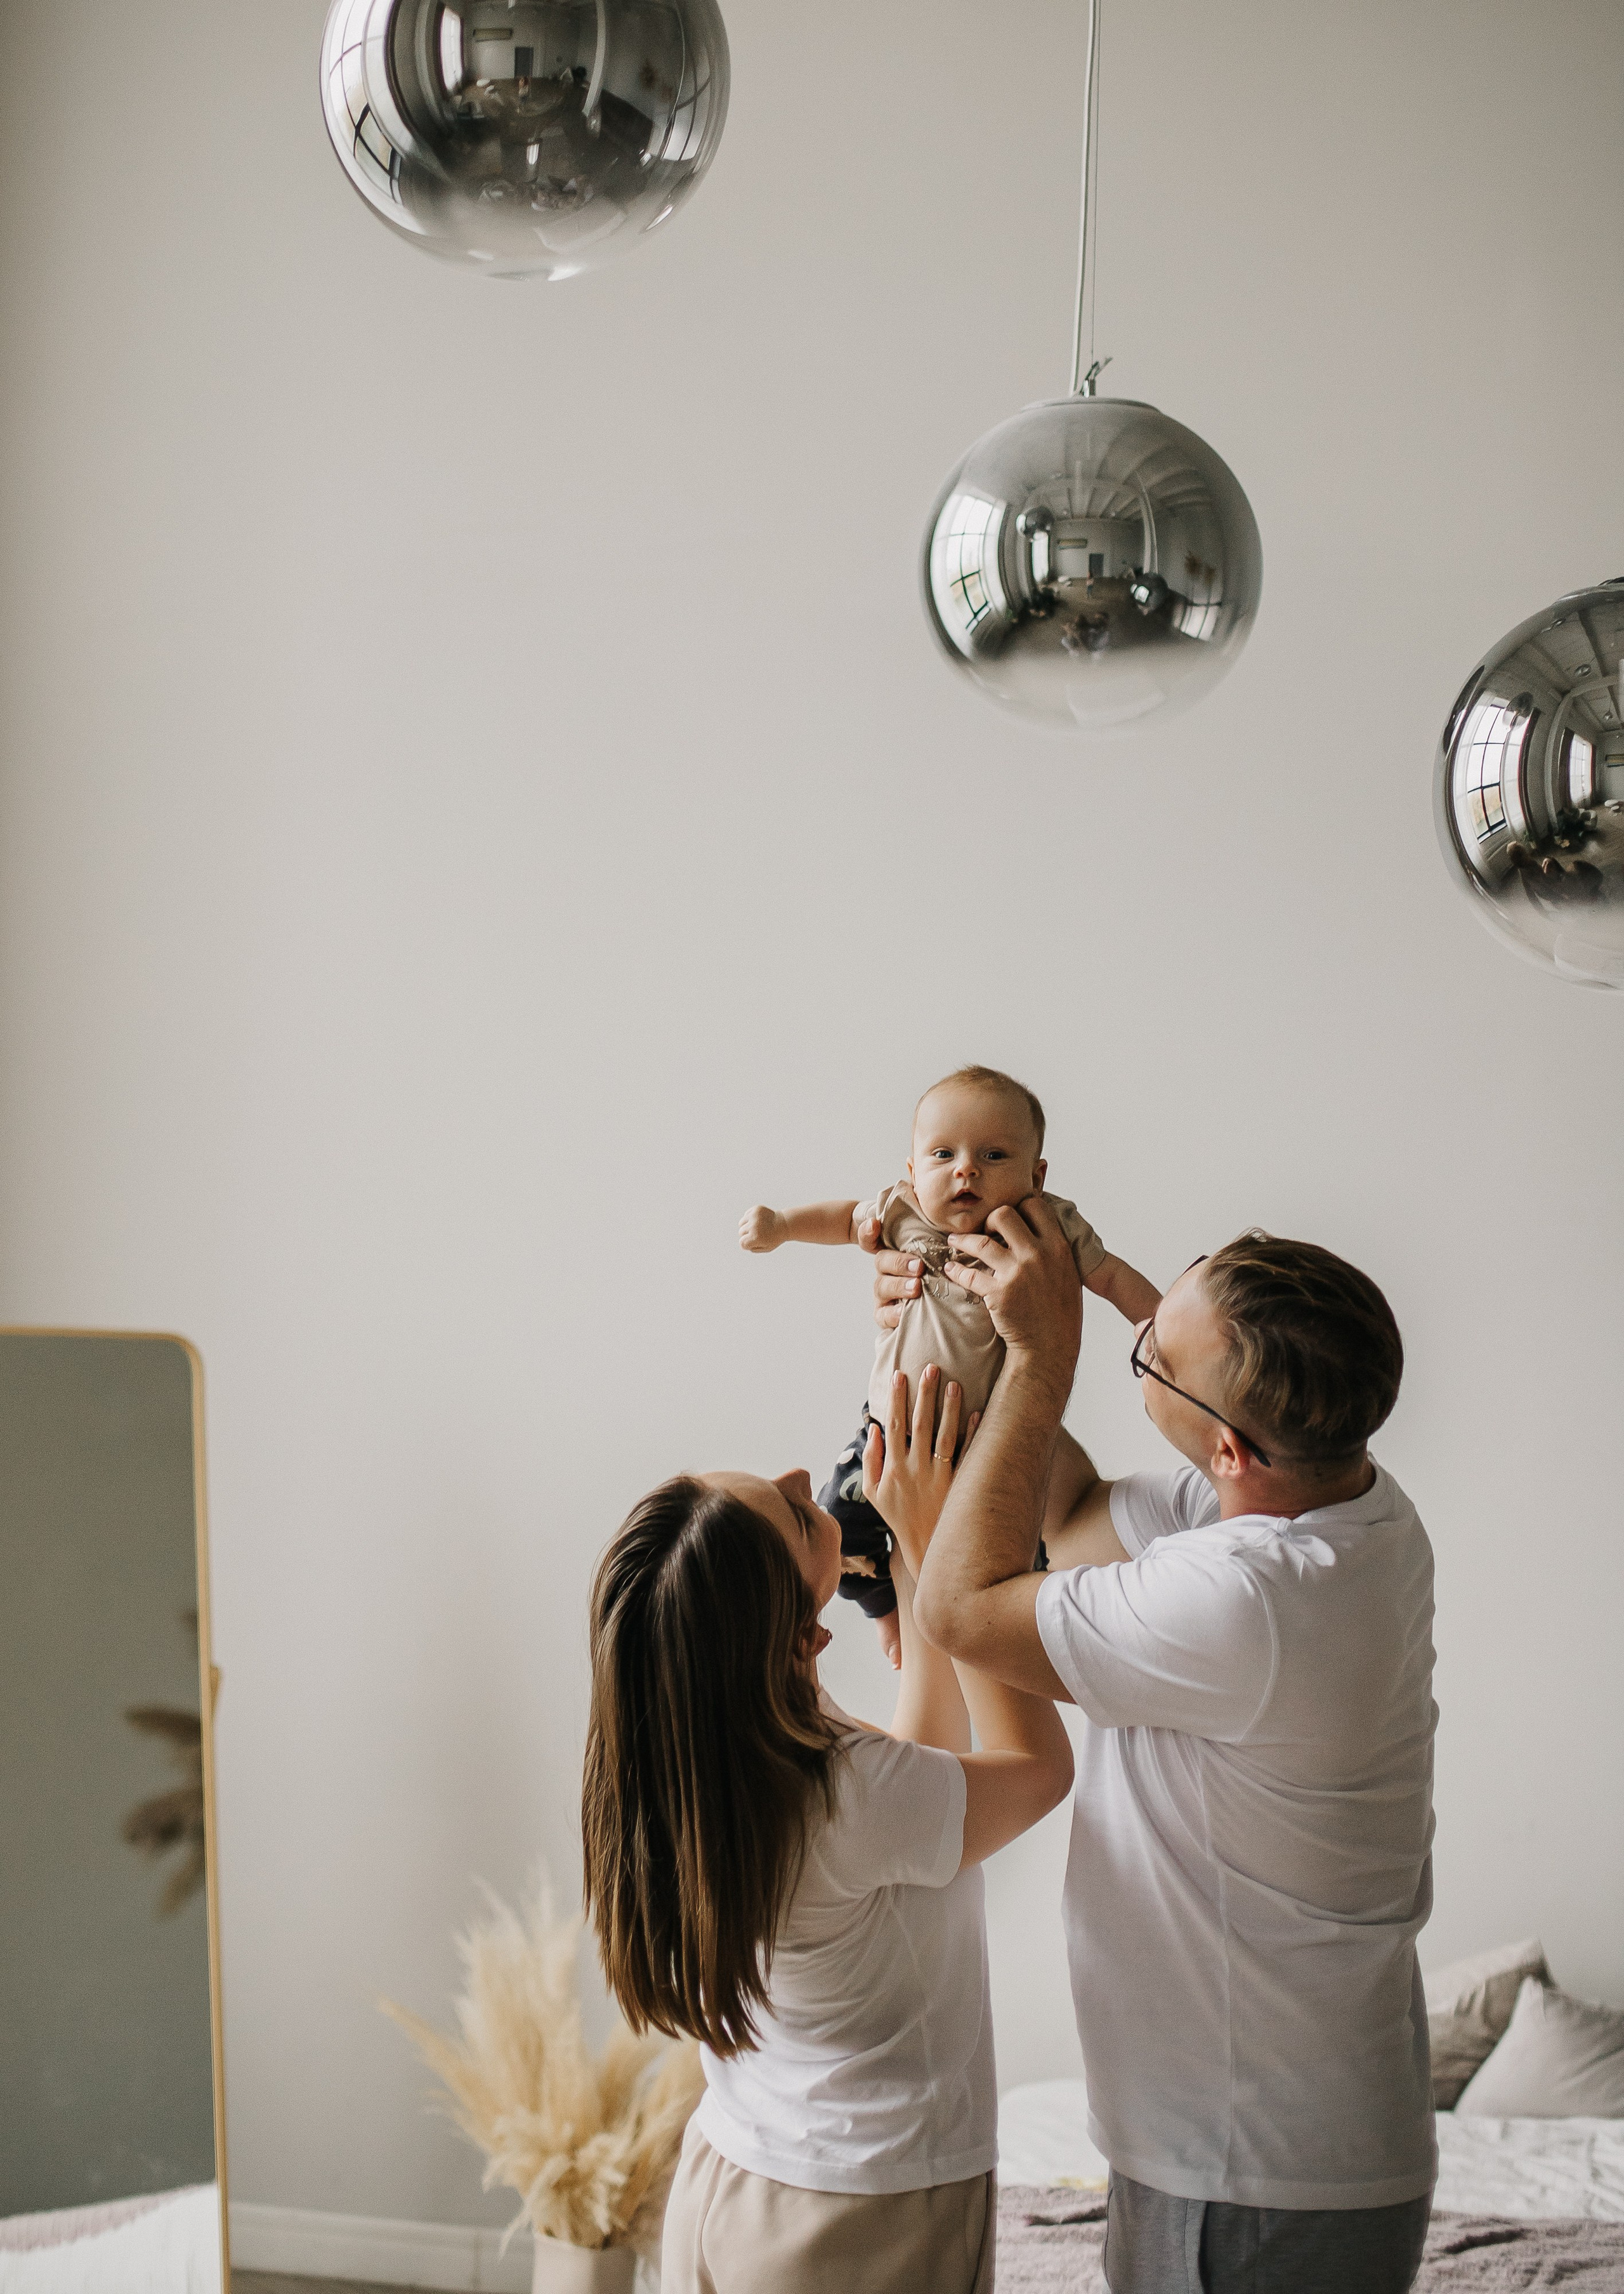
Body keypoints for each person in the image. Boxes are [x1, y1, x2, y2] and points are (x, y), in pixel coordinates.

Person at [872, 1210, 1437, 2294]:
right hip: (1271, 2150)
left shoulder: (1250, 1601)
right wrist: (981, 1333)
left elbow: (960, 1606)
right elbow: (1074, 1510)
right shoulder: (1348, 1507)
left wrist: (1042, 1357)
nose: (1134, 1347)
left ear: (1231, 1449)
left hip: (1250, 2175)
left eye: (1149, 1357)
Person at [579, 1370, 1073, 2294]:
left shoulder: (707, 1756)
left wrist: (919, 1572)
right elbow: (1039, 1770)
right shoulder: (844, 1792)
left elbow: (917, 1769)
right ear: (800, 1640)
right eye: (800, 1514)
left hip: (729, 2180)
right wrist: (955, 1560)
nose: (809, 1477)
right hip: (855, 2216)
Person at [738, 1064, 1158, 1661]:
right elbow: (845, 1217)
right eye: (943, 1154)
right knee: (839, 1527)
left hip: (987, 1445)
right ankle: (888, 1613)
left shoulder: (1051, 1227)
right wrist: (782, 1226)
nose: (966, 1169)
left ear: (1037, 1175)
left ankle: (1003, 1652)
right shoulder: (905, 1211)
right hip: (887, 1430)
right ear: (912, 1172)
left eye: (993, 1155)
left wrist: (1159, 1326)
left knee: (1007, 1569)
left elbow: (1111, 1275)